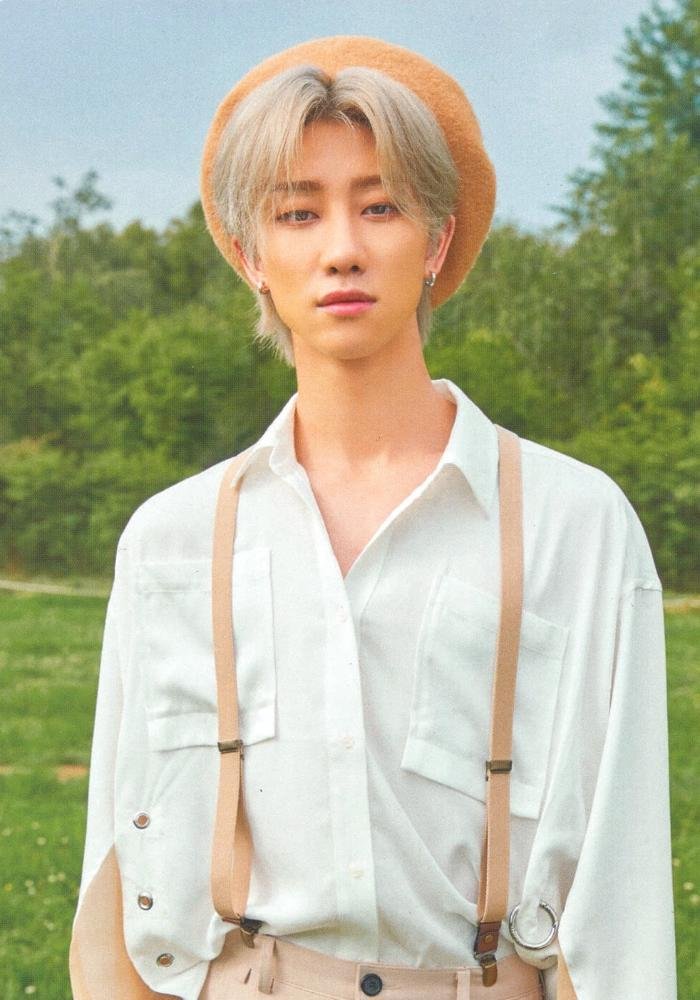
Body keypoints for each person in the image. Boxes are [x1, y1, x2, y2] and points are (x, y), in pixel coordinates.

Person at [69, 35, 676, 1000]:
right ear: (250, 255)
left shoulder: (578, 526)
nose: (342, 248)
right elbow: (117, 874)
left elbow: (616, 902)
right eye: (298, 212)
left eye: (380, 205)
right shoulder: (170, 541)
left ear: (436, 243)